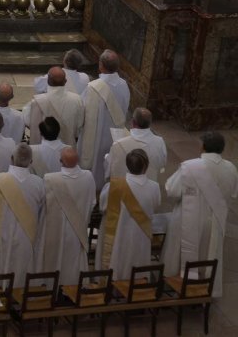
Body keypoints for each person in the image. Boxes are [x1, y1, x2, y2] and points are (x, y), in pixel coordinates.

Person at [162, 132, 238, 294]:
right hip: (215, 220)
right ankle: (203, 285)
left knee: (179, 254)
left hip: (187, 219)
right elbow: (233, 194)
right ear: (222, 149)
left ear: (202, 146)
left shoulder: (190, 167)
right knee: (208, 252)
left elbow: (173, 191)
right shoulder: (231, 169)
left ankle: (175, 282)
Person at [0, 143, 44, 283]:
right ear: (31, 162)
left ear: (11, 158)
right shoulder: (39, 183)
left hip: (1, 234)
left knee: (0, 267)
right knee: (22, 274)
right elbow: (41, 210)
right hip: (26, 236)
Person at [97, 148, 160, 280]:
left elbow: (103, 207)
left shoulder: (114, 186)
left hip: (118, 234)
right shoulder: (154, 187)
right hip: (140, 235)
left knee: (116, 262)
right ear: (146, 166)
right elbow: (155, 206)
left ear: (127, 165)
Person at [39, 147, 96, 286]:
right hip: (79, 231)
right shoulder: (88, 177)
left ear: (60, 161)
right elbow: (93, 202)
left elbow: (43, 206)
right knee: (74, 264)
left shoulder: (50, 179)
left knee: (56, 262)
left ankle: (54, 289)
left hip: (57, 232)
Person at [80, 49, 131, 190]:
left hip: (96, 136)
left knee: (95, 164)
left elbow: (82, 110)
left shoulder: (93, 87)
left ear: (101, 65)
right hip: (116, 135)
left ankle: (92, 190)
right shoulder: (124, 85)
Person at [27, 65, 85, 149]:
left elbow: (28, 122)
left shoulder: (37, 101)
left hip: (43, 150)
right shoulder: (77, 99)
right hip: (68, 150)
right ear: (65, 81)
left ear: (47, 81)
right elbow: (80, 125)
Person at [104, 106, 167, 181]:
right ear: (149, 124)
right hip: (149, 184)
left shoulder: (118, 144)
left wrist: (107, 157)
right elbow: (162, 164)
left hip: (124, 189)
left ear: (133, 122)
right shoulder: (159, 142)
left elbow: (110, 167)